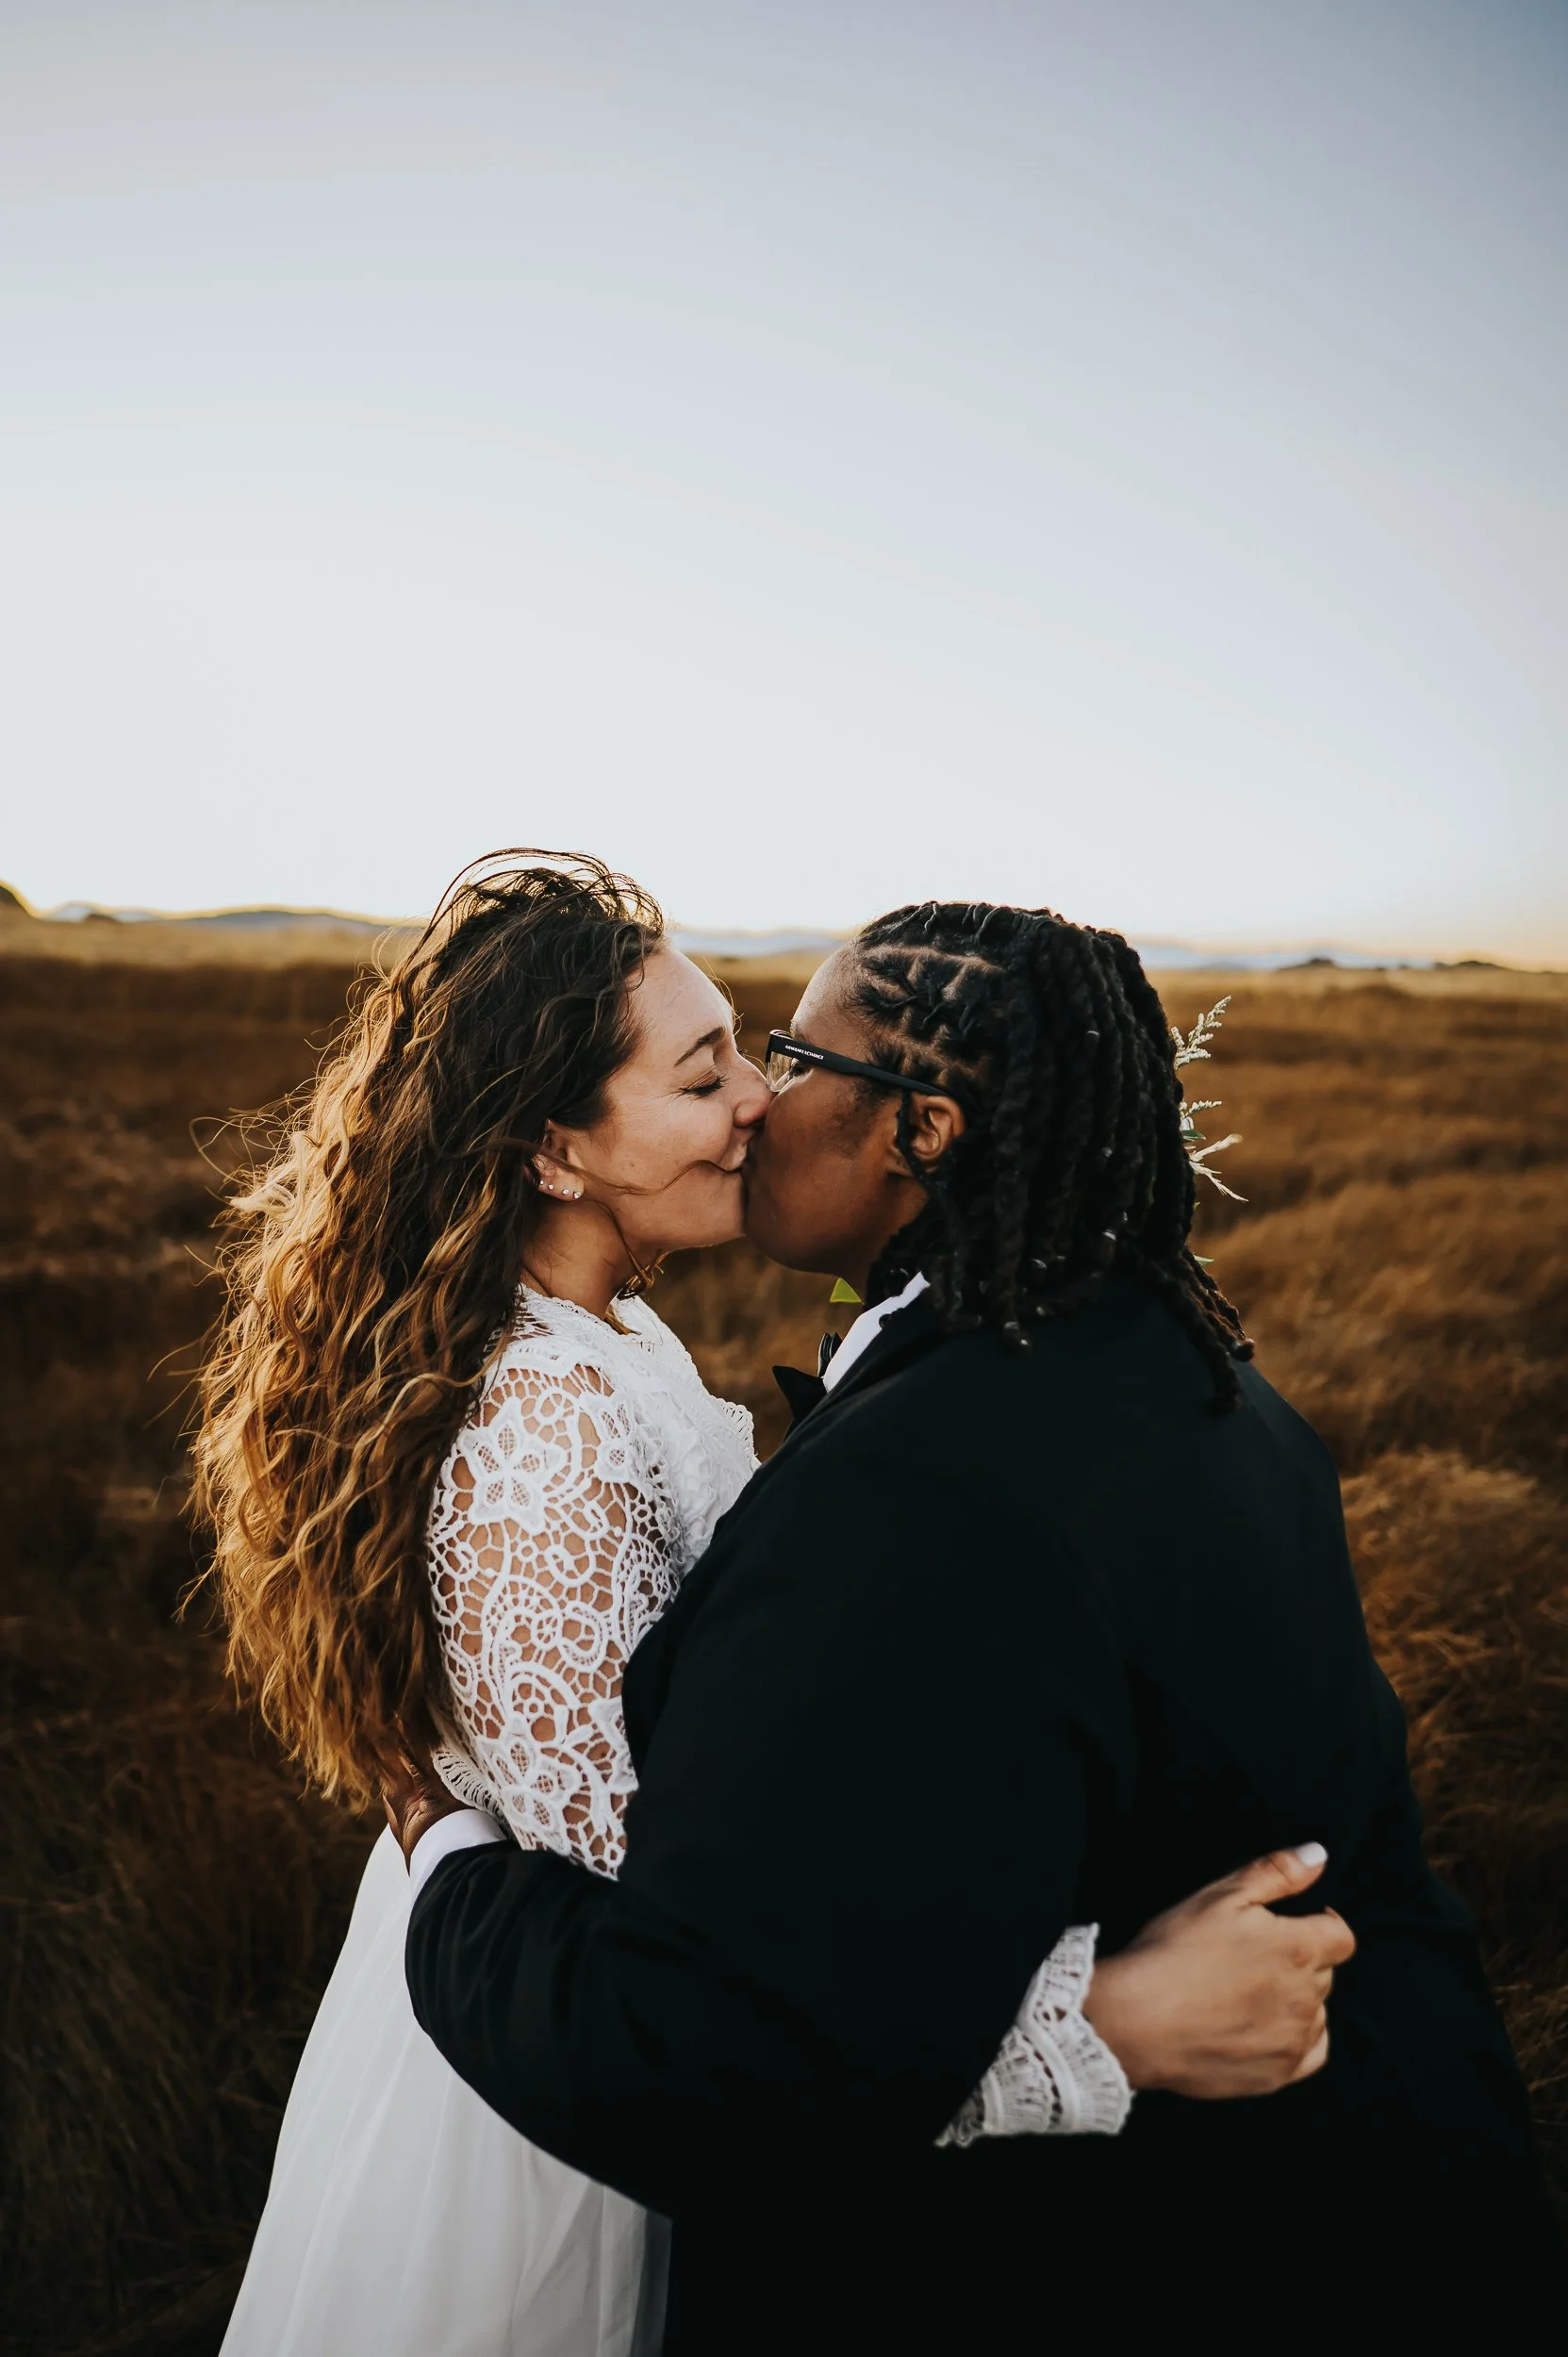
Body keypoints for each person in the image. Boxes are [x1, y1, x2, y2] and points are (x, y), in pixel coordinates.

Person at [200, 856, 1352, 2357]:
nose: (755, 1099)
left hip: (656, 2075)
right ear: (556, 1147)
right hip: (561, 2137)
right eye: (705, 1075)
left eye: (757, 1051)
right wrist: (1102, 2014)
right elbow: (684, 1962)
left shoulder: (620, 1348)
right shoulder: (544, 1427)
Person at [397, 889, 1560, 2349]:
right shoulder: (1206, 1383)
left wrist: (436, 1849)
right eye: (726, 1063)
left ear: (922, 1131)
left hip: (1166, 2259)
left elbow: (723, 2051)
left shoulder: (919, 1485)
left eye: (793, 1059)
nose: (762, 1100)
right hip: (1406, 2207)